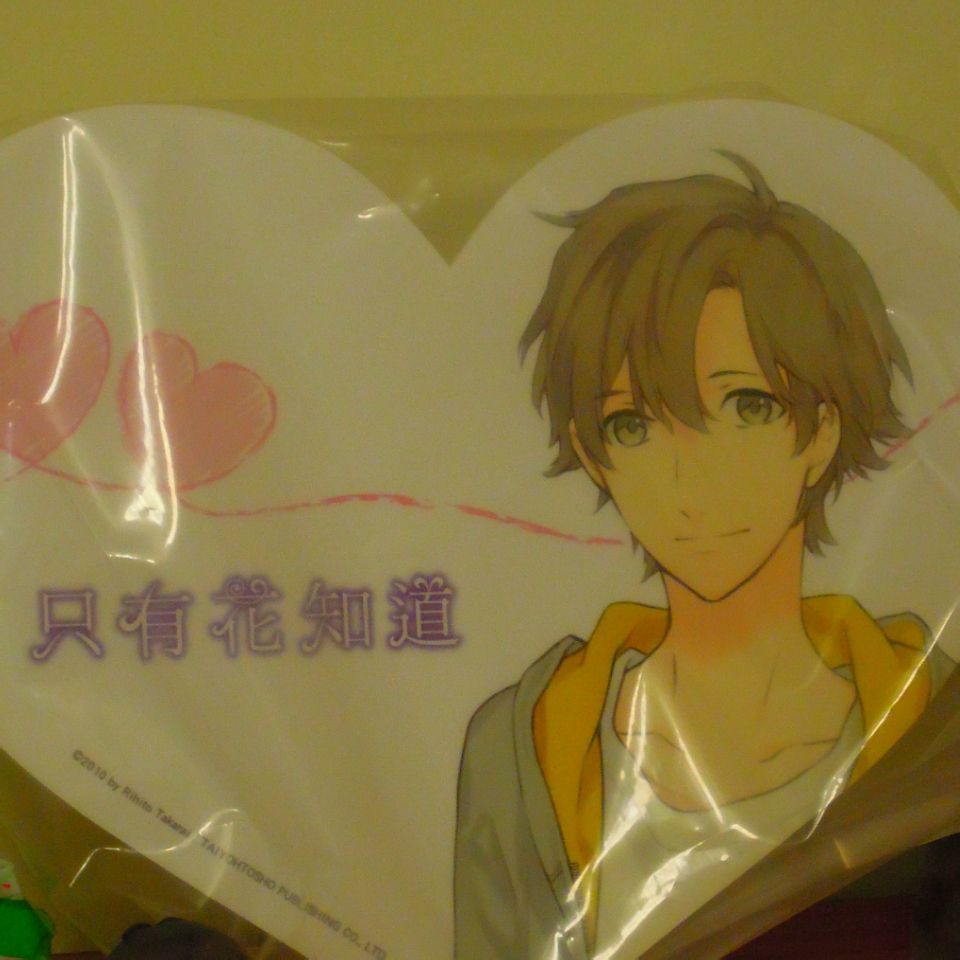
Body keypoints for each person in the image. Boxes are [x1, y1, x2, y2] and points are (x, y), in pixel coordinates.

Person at [453, 154, 954, 960]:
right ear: (594, 455)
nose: (690, 480)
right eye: (632, 426)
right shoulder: (522, 747)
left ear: (823, 430)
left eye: (747, 407)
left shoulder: (934, 726)